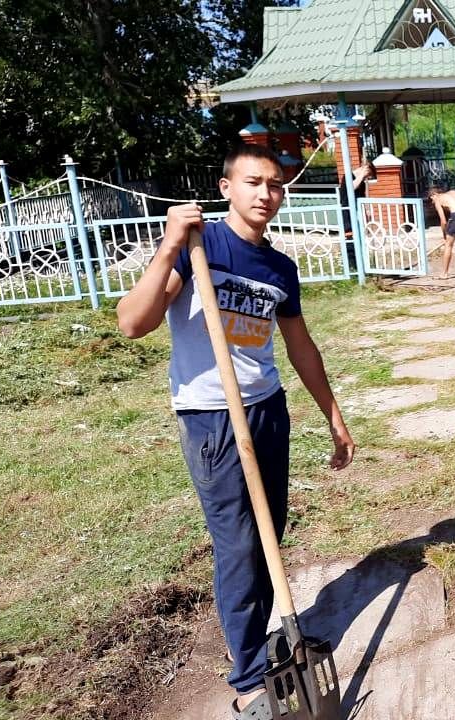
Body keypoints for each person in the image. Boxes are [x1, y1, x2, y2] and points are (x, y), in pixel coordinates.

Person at [116, 144, 356, 720]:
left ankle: (267, 639)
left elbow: (299, 345)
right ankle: (250, 677)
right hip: (211, 416)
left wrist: (333, 414)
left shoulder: (279, 268)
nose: (265, 195)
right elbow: (132, 323)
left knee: (270, 530)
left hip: (267, 408)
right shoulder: (201, 247)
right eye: (253, 182)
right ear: (227, 188)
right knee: (240, 544)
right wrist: (172, 245)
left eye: (275, 185)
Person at [341, 159, 374, 274]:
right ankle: (353, 269)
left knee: (359, 241)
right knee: (350, 240)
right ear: (364, 169)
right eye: (368, 175)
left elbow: (362, 197)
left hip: (357, 214)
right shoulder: (348, 176)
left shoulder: (362, 183)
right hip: (347, 213)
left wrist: (367, 210)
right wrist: (362, 175)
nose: (367, 178)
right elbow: (351, 189)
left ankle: (361, 268)